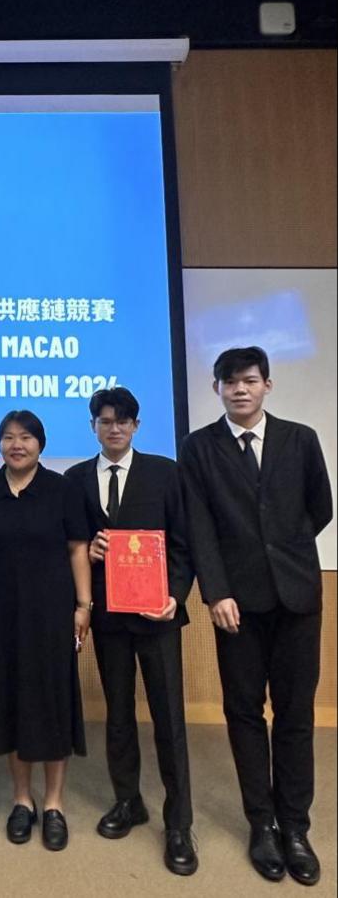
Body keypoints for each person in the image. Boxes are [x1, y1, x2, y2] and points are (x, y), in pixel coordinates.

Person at [180, 346, 332, 886]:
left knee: (295, 714)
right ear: (216, 389)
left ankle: (295, 827)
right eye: (230, 382)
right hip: (235, 604)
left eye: (249, 380)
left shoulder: (300, 439)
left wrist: (285, 552)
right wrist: (217, 591)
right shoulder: (198, 447)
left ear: (268, 385)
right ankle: (261, 824)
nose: (240, 389)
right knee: (243, 712)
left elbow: (320, 508)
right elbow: (198, 524)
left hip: (297, 598)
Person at [65, 388, 197, 875]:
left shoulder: (165, 472)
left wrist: (175, 596)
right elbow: (71, 545)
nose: (114, 429)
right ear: (93, 427)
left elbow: (183, 544)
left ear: (136, 426)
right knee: (118, 713)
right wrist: (90, 551)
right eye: (105, 421)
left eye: (123, 421)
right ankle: (128, 800)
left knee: (169, 718)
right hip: (108, 617)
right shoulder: (76, 478)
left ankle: (179, 822)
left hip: (158, 616)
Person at [0, 410, 91, 852]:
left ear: (41, 444)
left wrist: (83, 605)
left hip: (52, 613)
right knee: (12, 701)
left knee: (52, 701)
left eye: (25, 437)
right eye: (8, 437)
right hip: (1, 614)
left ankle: (54, 804)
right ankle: (22, 800)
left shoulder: (62, 489)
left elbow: (78, 548)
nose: (16, 445)